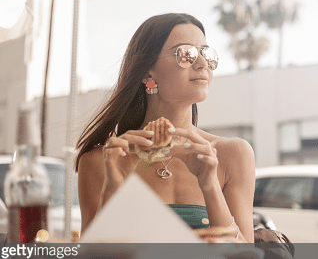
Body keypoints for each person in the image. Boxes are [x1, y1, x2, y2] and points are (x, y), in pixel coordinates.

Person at [75, 13, 255, 243]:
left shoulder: (233, 154)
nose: (201, 64)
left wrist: (209, 185)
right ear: (147, 72)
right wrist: (114, 187)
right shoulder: (102, 161)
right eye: (186, 54)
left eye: (206, 54)